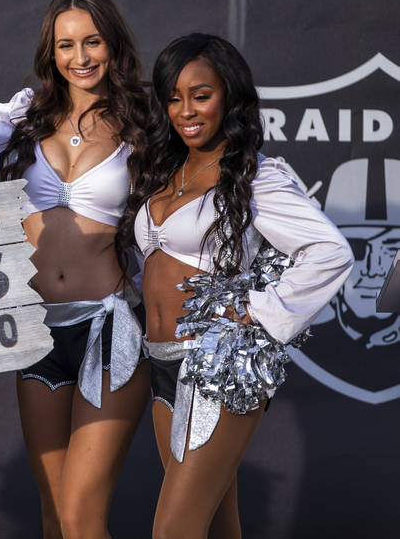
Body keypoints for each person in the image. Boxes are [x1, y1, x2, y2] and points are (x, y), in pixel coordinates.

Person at [117, 33, 353, 539]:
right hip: (159, 360)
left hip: (217, 364)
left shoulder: (255, 176)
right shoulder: (166, 170)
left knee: (173, 530)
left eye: (201, 95)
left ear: (231, 96)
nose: (186, 110)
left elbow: (330, 252)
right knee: (219, 525)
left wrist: (257, 311)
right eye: (174, 97)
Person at [0, 0, 152, 539]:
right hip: (36, 333)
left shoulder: (145, 124)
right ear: (50, 53)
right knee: (54, 518)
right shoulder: (22, 118)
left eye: (93, 42)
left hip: (110, 328)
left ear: (113, 44)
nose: (80, 58)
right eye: (66, 45)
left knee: (81, 518)